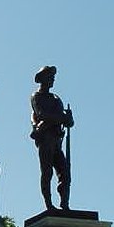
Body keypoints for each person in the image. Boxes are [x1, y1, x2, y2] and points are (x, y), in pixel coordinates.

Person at [30, 66, 74, 210]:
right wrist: (61, 118)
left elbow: (68, 122)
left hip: (57, 139)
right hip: (45, 139)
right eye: (50, 77)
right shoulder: (37, 96)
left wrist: (68, 118)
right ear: (42, 79)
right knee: (47, 172)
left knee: (65, 173)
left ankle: (64, 204)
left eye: (53, 78)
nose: (52, 80)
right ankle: (49, 204)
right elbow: (41, 115)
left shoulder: (56, 98)